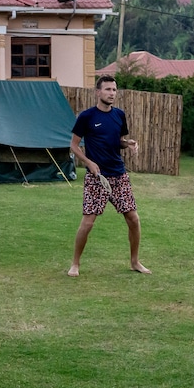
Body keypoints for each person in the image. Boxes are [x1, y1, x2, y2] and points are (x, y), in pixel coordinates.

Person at [67, 75, 149, 277]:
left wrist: (128, 143)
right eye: (107, 89)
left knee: (133, 219)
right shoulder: (87, 117)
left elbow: (117, 141)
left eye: (114, 89)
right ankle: (75, 264)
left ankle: (135, 262)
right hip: (97, 178)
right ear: (98, 92)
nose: (112, 93)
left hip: (119, 175)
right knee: (88, 223)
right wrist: (89, 163)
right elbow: (74, 145)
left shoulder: (119, 115)